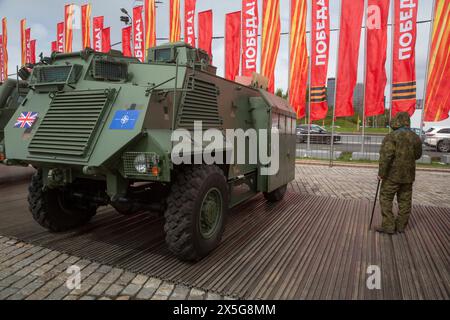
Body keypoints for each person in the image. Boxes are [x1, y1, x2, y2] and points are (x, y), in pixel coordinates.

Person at [376, 112, 423, 234]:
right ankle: (401, 226)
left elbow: (386, 156)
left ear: (397, 121)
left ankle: (388, 226)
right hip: (408, 176)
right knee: (405, 201)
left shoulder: (392, 137)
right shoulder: (415, 137)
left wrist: (381, 173)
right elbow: (417, 155)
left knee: (385, 198)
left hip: (392, 176)